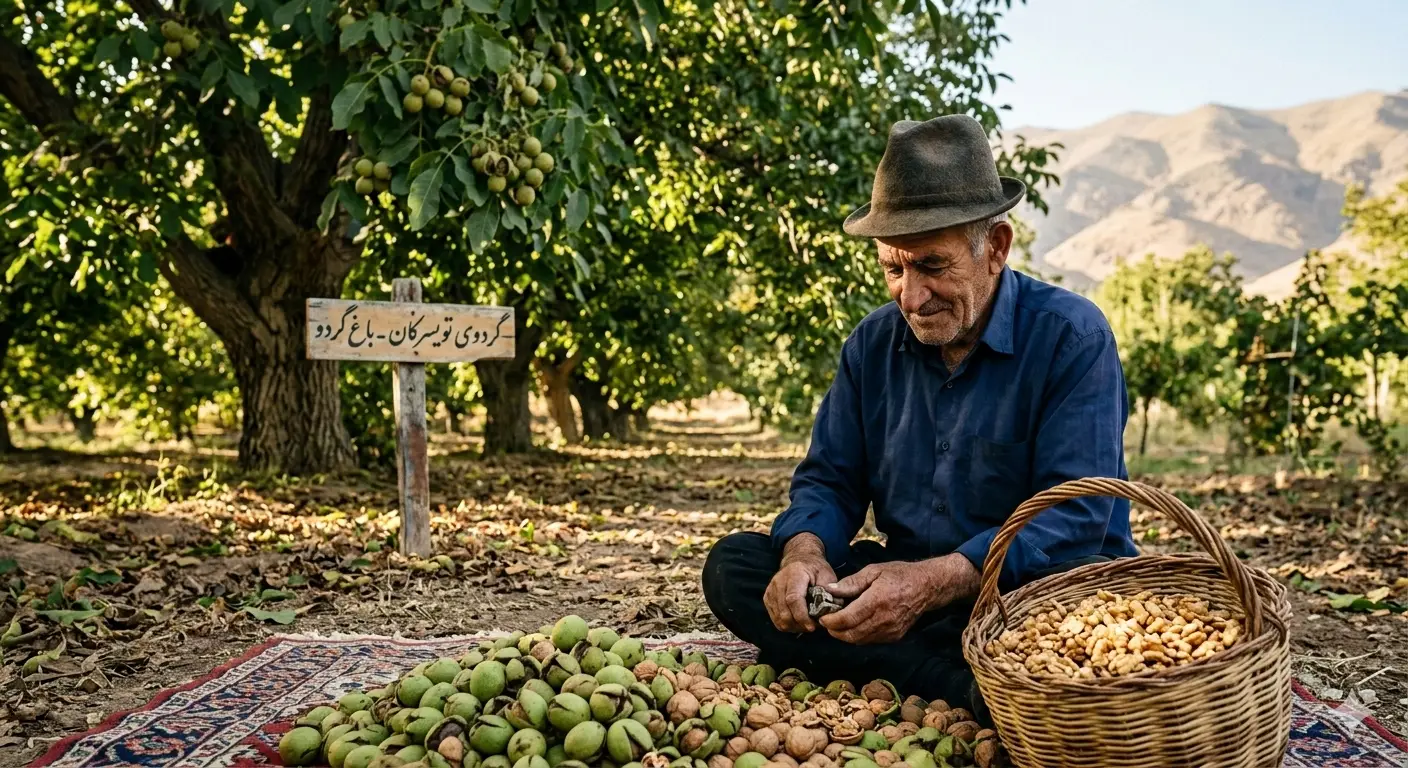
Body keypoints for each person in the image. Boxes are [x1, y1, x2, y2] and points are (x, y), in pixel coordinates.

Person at [702, 114, 1140, 719]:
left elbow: (1074, 514)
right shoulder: (871, 344)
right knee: (736, 567)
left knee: (1071, 634)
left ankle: (895, 667)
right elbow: (829, 479)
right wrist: (805, 554)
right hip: (906, 589)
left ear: (996, 248)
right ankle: (961, 686)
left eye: (932, 266)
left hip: (1030, 593)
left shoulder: (1072, 336)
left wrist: (933, 582)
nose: (910, 296)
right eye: (893, 268)